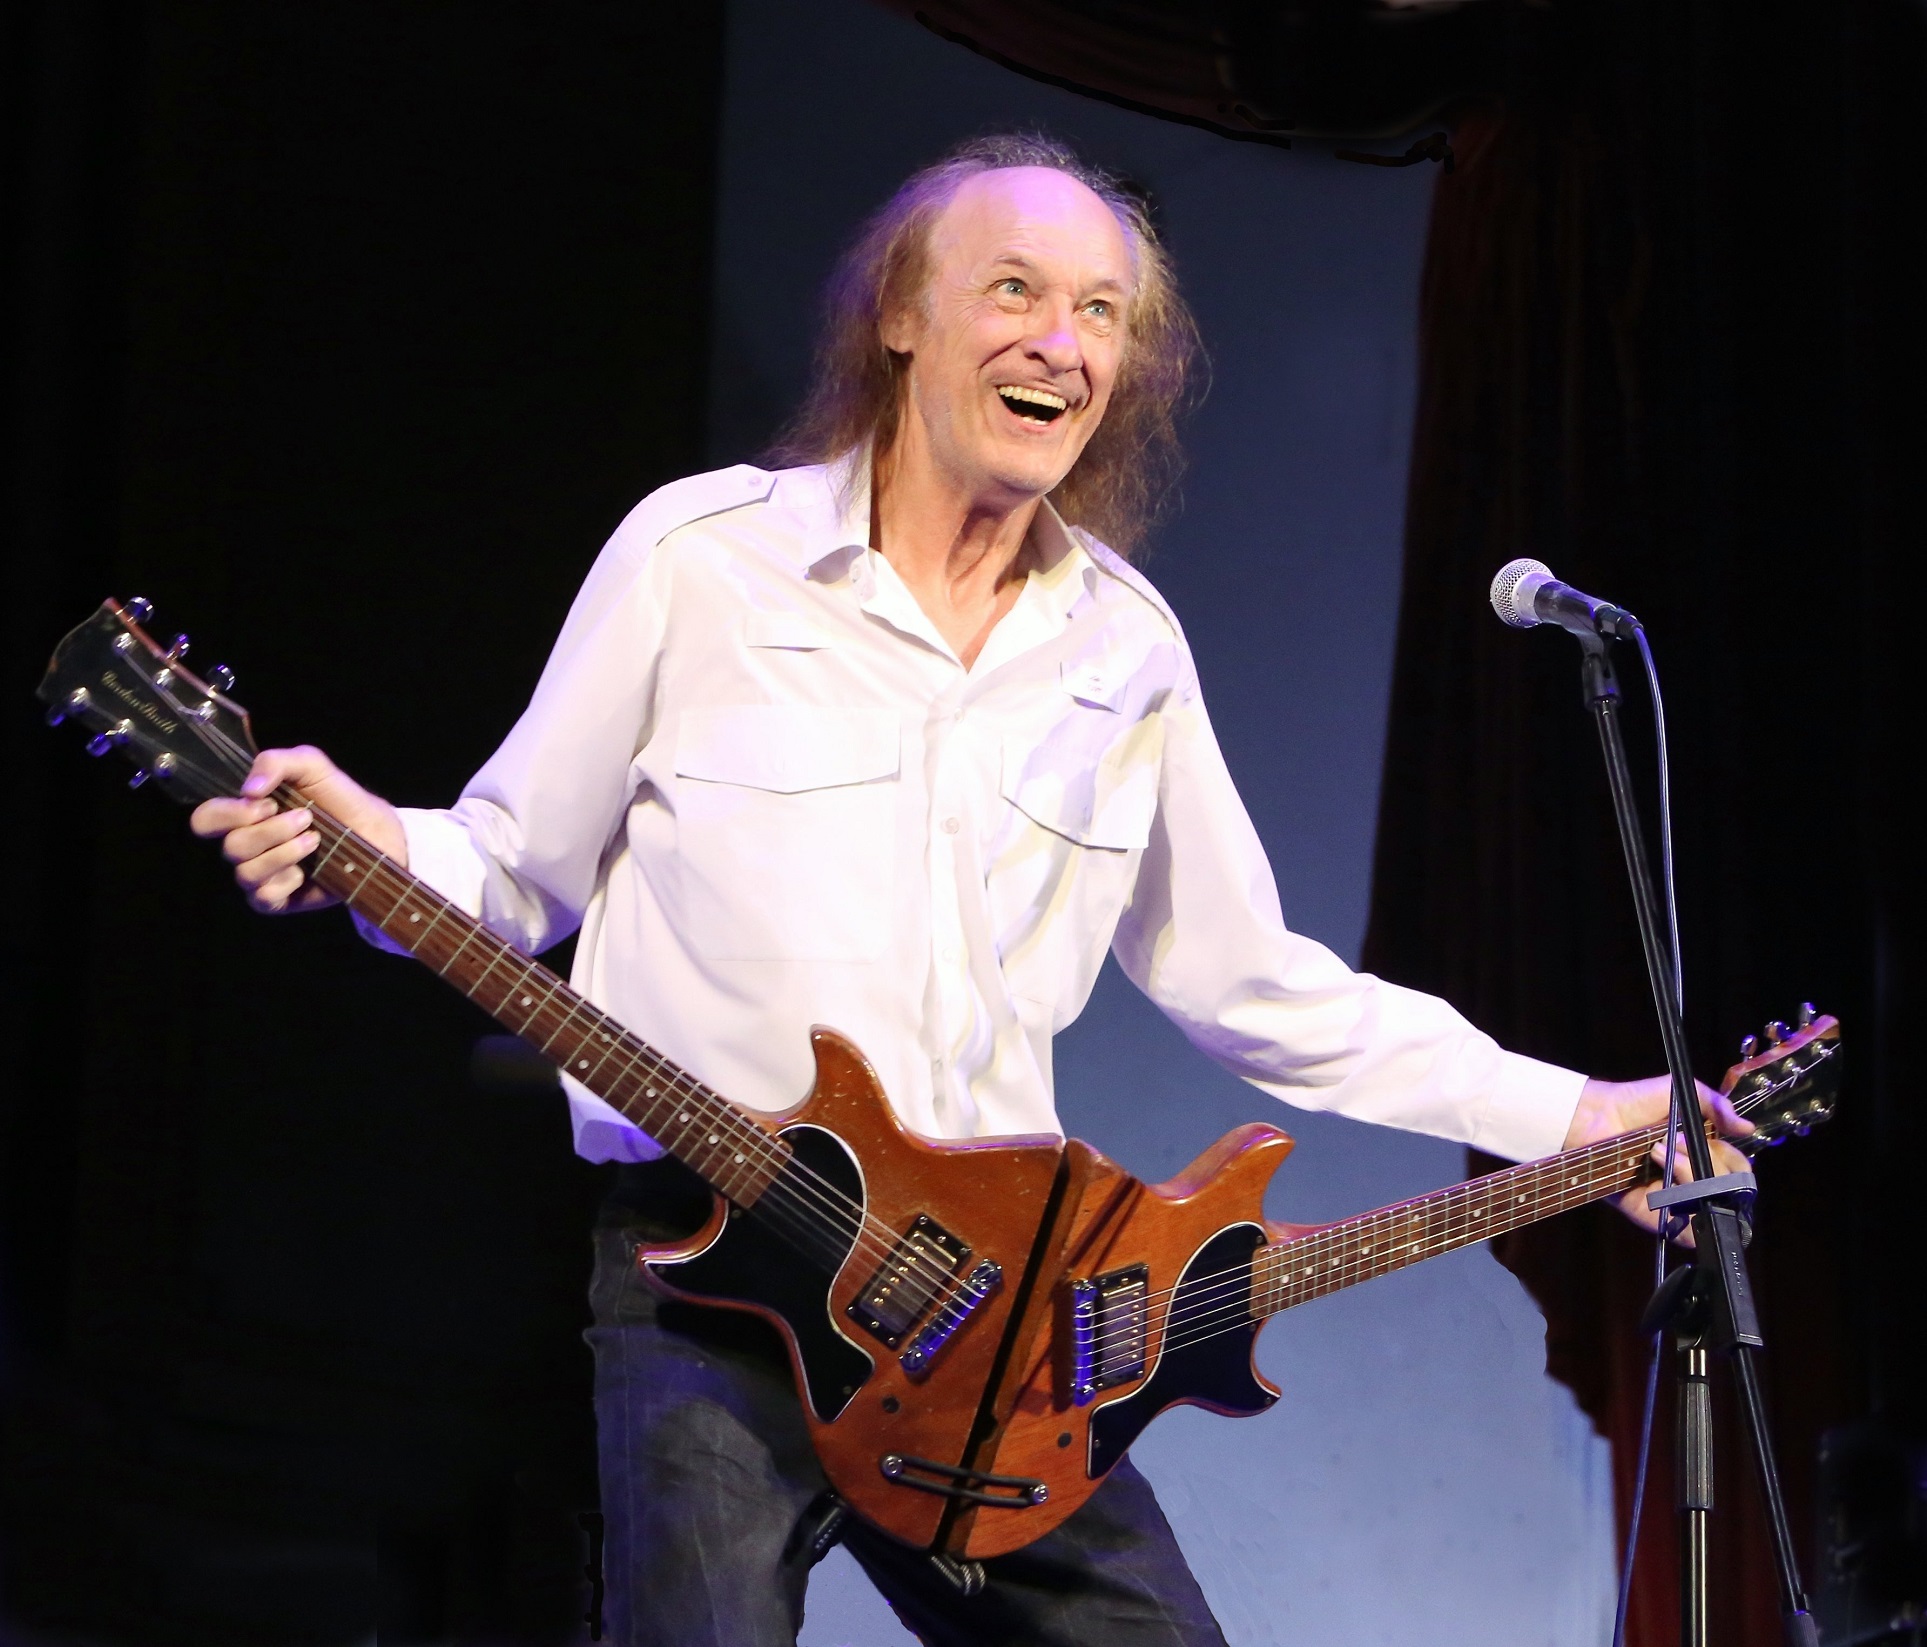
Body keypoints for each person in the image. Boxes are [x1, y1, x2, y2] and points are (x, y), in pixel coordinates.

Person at [190, 134, 1751, 1647]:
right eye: (1013, 290)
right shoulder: (698, 559)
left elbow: (1254, 984)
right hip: (709, 1276)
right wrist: (371, 848)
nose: (1060, 343)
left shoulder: (1124, 650)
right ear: (898, 317)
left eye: (1100, 314)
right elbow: (509, 868)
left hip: (990, 1322)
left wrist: (1573, 1115)